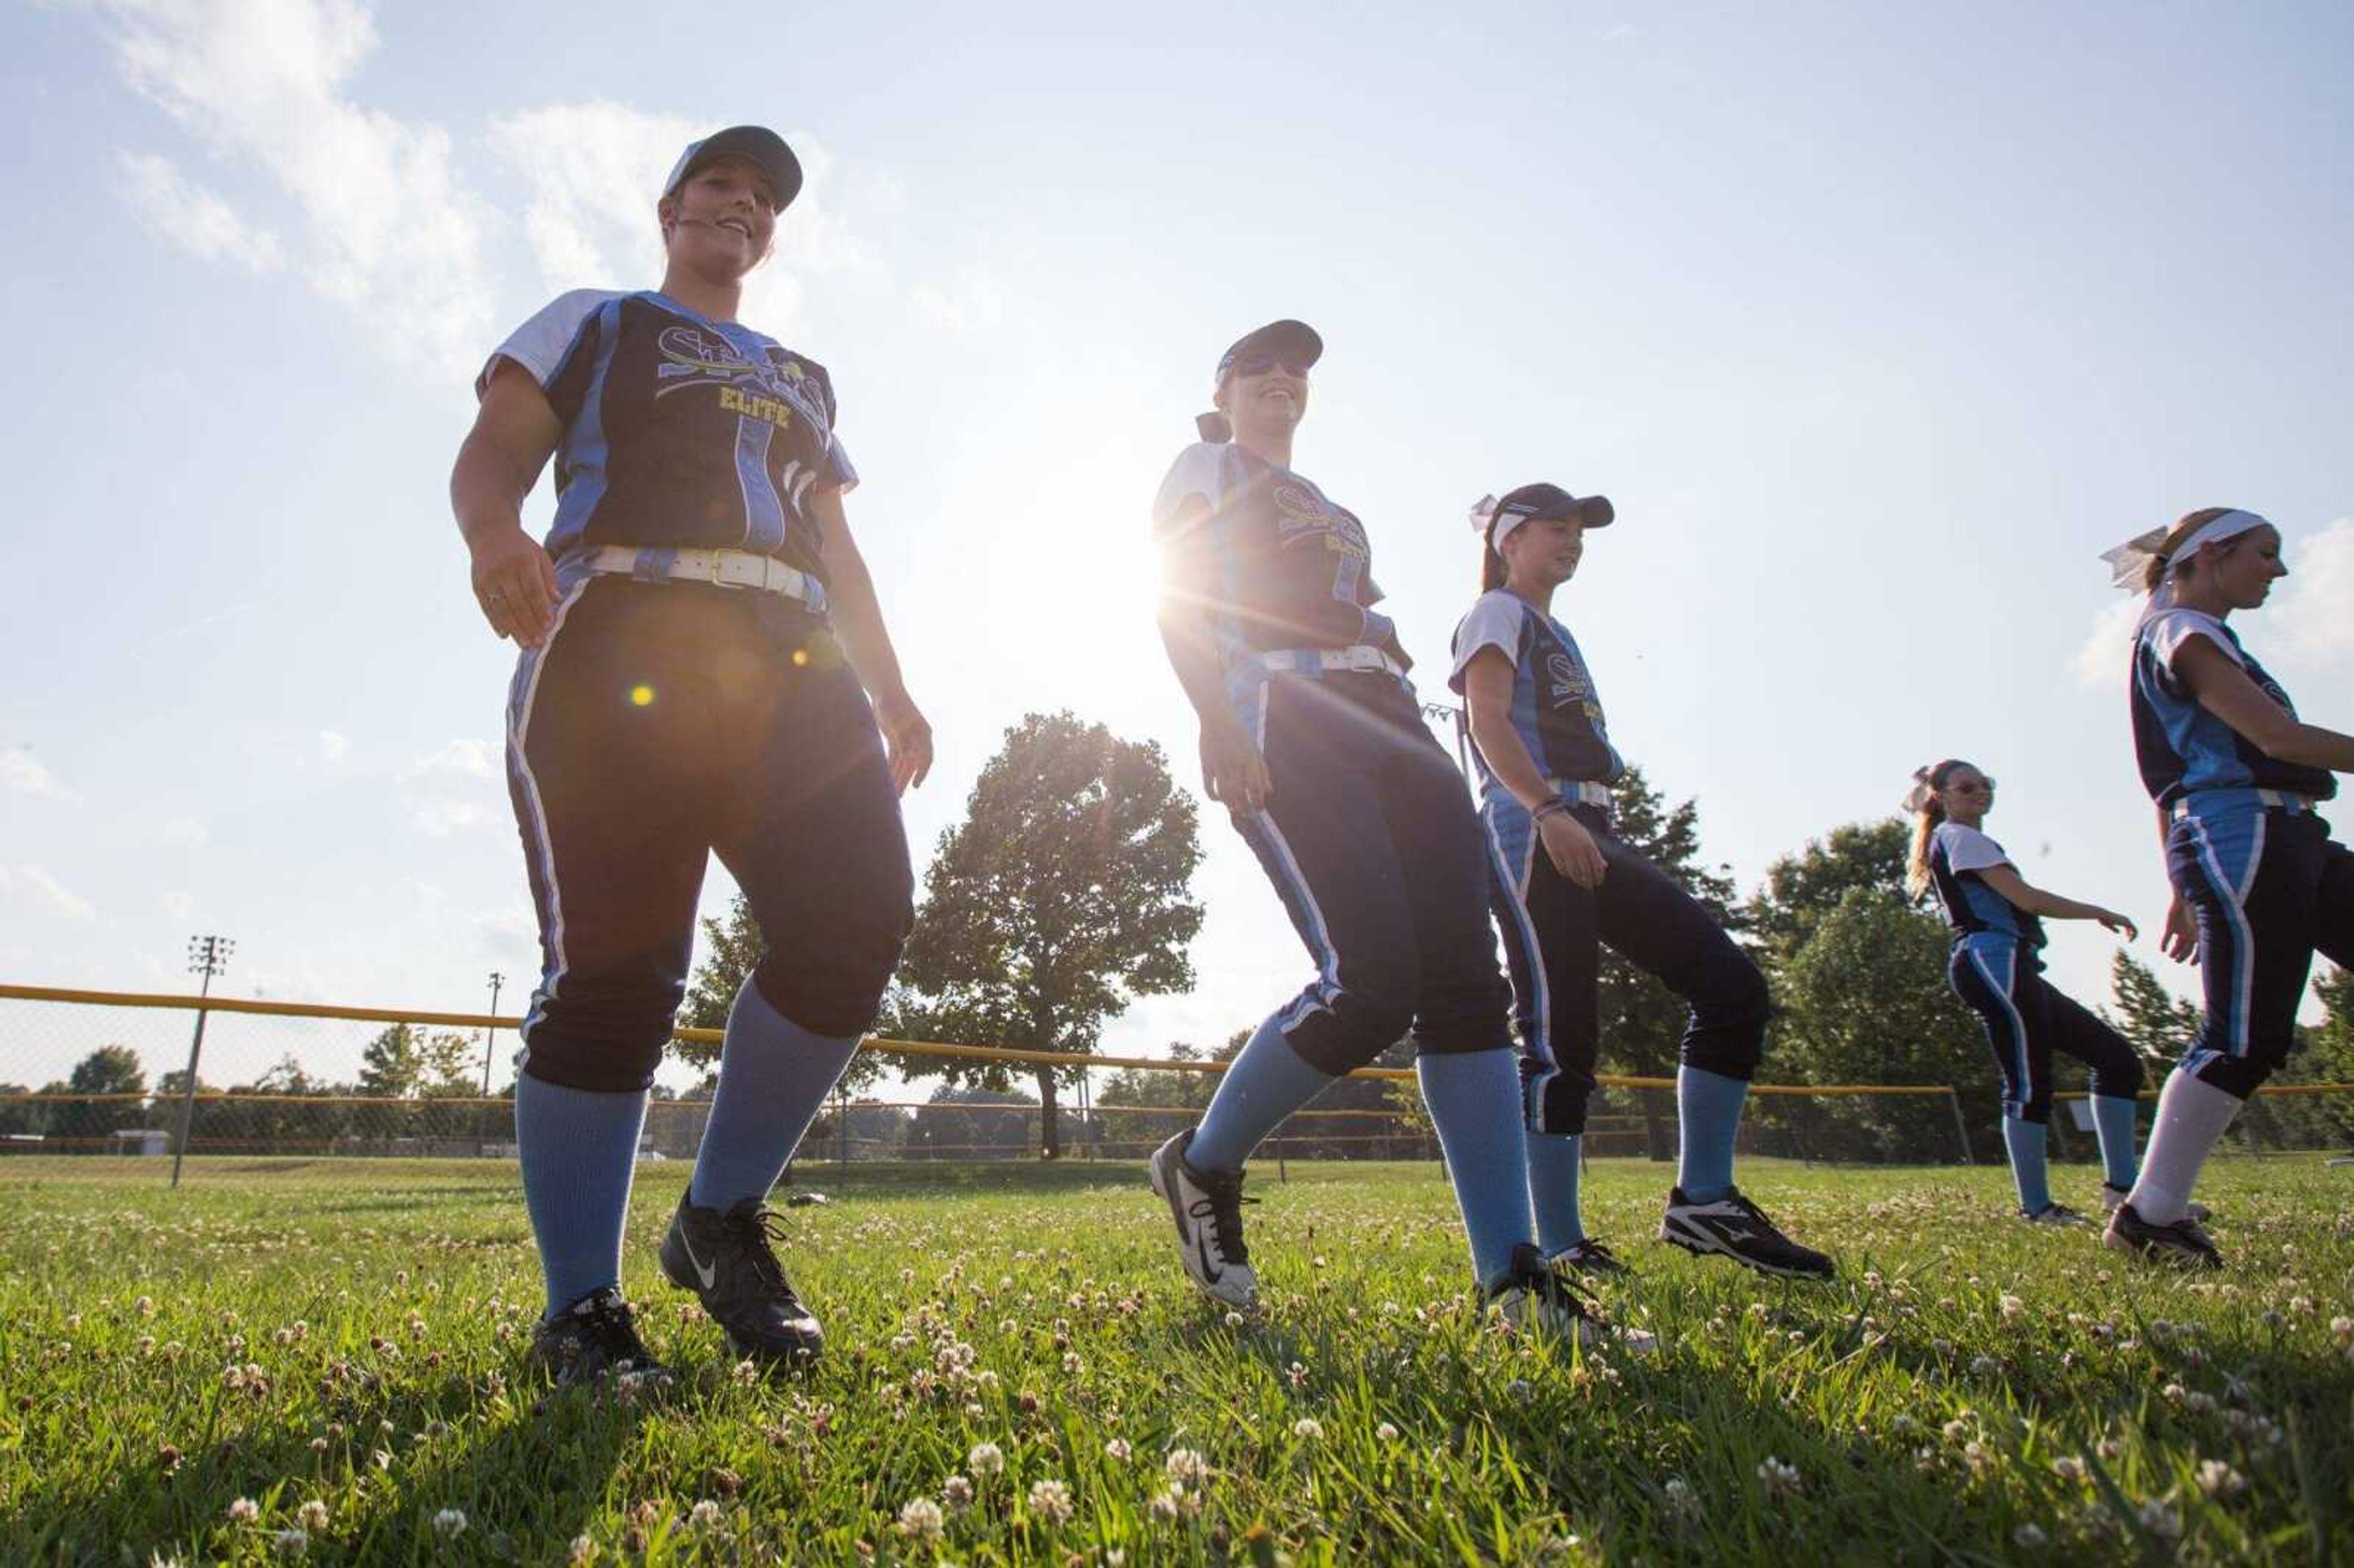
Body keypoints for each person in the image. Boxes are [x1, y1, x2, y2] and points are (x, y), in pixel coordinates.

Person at [449, 126, 931, 1382]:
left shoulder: (802, 376)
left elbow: (839, 549)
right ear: (670, 207)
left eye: (763, 198)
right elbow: (497, 445)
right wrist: (496, 531)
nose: (743, 205)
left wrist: (893, 690)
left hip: (790, 654)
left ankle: (716, 1217)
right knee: (622, 971)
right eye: (722, 185)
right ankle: (581, 1308)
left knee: (860, 916)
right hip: (619, 623)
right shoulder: (597, 320)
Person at [1145, 324, 1617, 1338]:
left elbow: (1363, 616)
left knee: (1465, 980)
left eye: (1300, 374)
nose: (1285, 382)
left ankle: (1512, 1276)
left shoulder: (1336, 511)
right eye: (1262, 369)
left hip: (1393, 720)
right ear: (1221, 390)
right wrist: (1217, 719)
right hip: (1286, 711)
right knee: (1373, 982)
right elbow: (1178, 591)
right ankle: (1203, 1162)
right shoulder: (1205, 464)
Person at [1452, 485, 1832, 1279]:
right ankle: (1558, 1243)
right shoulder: (1498, 612)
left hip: (1593, 826)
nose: (1573, 540)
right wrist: (1548, 809)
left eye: (1579, 530)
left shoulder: (1557, 628)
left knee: (1731, 986)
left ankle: (1703, 1199)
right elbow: (1487, 723)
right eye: (1556, 526)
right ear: (1511, 539)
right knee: (1562, 1036)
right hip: (1535, 826)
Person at [2100, 507, 2354, 1267]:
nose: (2277, 570)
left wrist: (2177, 882)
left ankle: (2152, 1211)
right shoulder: (2184, 631)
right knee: (2245, 1036)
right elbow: (2277, 739)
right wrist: (2187, 867)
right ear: (2209, 555)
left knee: (2247, 1032)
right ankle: (2151, 1215)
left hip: (2288, 835)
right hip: (2248, 834)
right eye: (2265, 553)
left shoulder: (2197, 635)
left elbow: (2163, 787)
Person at [1903, 759, 2147, 1224]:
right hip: (1991, 962)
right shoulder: (1960, 837)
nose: (1980, 792)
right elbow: (2028, 899)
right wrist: (2099, 910)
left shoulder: (1958, 835)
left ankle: (2123, 1192)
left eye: (1986, 784)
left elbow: (1916, 802)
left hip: (2011, 964)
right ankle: (2035, 1208)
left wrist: (1922, 787)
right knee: (2029, 1082)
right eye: (1967, 787)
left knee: (2117, 1060)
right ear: (1944, 798)